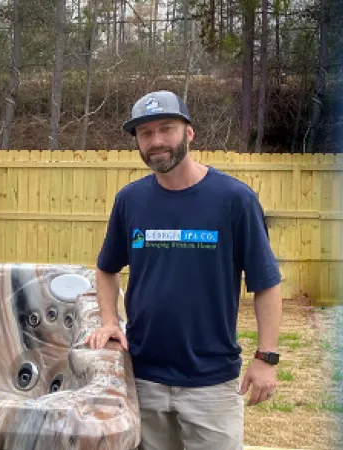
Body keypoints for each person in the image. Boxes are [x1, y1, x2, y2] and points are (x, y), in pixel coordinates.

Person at [86, 90, 283, 450]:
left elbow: (266, 284)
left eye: (166, 128)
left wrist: (266, 358)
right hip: (143, 379)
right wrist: (110, 321)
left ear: (189, 133)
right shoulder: (130, 200)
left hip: (212, 383)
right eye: (145, 134)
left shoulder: (234, 200)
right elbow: (106, 269)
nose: (156, 141)